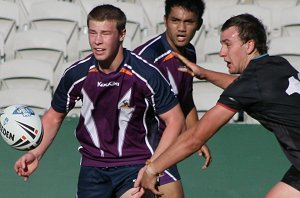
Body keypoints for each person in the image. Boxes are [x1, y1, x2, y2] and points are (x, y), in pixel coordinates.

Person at [14, 4, 186, 198]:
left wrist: (152, 167)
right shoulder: (77, 74)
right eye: (92, 32)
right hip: (92, 169)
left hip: (134, 165)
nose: (97, 41)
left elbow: (175, 120)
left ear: (122, 34)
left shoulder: (145, 74)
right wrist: (35, 153)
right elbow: (54, 116)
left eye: (105, 33)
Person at [134, 13, 300, 198]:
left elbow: (195, 138)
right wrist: (205, 74)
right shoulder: (278, 64)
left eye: (228, 44)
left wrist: (153, 169)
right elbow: (247, 89)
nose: (222, 52)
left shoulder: (250, 84)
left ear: (249, 45)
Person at [133, 0, 211, 197]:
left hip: (164, 145)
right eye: (175, 20)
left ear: (199, 24)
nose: (182, 28)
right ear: (165, 21)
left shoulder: (189, 53)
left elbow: (185, 100)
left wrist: (197, 136)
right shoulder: (146, 58)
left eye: (189, 22)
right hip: (140, 146)